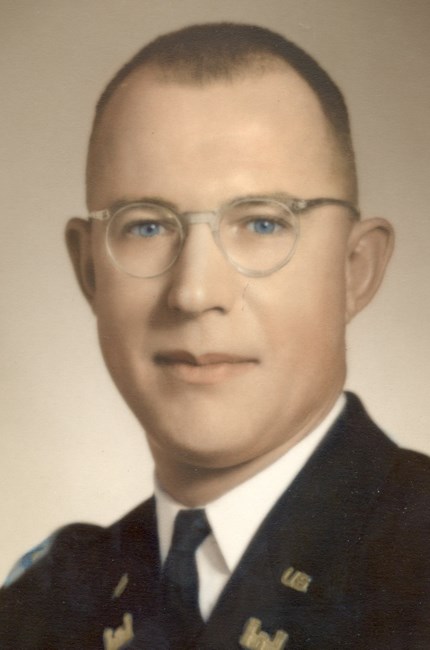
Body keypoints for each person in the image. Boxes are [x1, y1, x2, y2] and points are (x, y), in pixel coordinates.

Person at [0, 22, 429, 650]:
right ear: (89, 270)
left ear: (354, 270)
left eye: (262, 223)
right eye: (146, 227)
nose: (195, 292)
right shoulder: (42, 609)